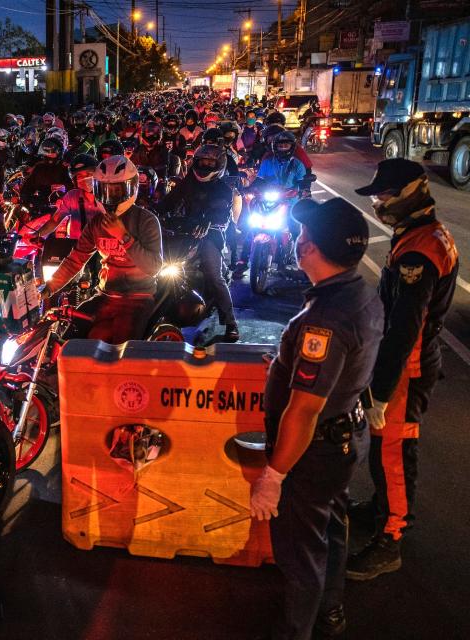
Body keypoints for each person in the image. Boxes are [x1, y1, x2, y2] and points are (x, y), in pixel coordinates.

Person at [251, 197, 381, 640]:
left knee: (300, 551)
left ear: (311, 250)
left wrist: (273, 475)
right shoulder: (361, 293)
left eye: (304, 237)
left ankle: (296, 630)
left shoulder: (322, 320)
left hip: (314, 452)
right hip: (345, 434)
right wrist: (283, 365)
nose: (298, 242)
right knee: (332, 526)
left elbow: (303, 410)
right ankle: (331, 609)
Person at [346, 159, 459, 580]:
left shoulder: (419, 250)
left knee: (392, 454)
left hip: (406, 370)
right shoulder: (418, 234)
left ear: (413, 191)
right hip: (405, 366)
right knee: (384, 452)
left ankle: (390, 537)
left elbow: (405, 329)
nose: (380, 202)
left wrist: (381, 388)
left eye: (386, 195)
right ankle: (381, 509)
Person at [43, 155, 163, 344]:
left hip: (138, 297)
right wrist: (48, 288)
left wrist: (123, 236)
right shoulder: (97, 223)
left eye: (116, 191)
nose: (110, 197)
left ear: (131, 188)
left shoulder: (146, 221)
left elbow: (153, 267)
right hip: (105, 294)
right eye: (105, 191)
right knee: (67, 339)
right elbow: (76, 258)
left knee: (120, 347)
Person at [160, 144, 239, 341]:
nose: (205, 166)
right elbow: (169, 201)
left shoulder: (223, 189)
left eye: (210, 163)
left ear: (218, 165)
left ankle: (230, 322)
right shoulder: (188, 182)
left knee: (214, 275)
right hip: (184, 232)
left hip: (209, 235)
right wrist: (153, 212)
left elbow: (220, 212)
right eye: (202, 162)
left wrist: (208, 222)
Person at [33, 154, 102, 239]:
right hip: (75, 247)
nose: (85, 178)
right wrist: (36, 235)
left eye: (88, 174)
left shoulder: (107, 196)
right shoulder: (72, 197)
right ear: (75, 181)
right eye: (80, 176)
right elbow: (55, 220)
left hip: (102, 248)